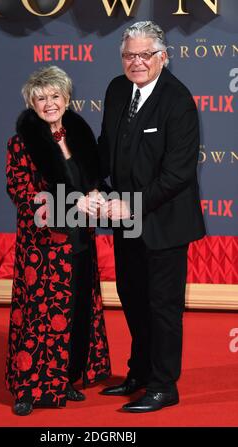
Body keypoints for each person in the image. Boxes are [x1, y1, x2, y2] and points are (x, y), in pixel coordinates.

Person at [98, 21, 206, 412]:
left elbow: (178, 173)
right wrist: (88, 181)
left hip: (165, 223)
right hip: (126, 222)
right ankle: (140, 373)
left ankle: (164, 386)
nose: (137, 62)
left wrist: (131, 205)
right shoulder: (115, 90)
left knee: (162, 306)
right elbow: (106, 147)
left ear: (163, 56)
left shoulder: (177, 100)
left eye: (145, 54)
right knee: (133, 298)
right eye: (130, 55)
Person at [5, 66, 111, 416]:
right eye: (41, 97)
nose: (49, 103)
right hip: (43, 247)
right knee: (38, 316)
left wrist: (96, 195)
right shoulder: (21, 142)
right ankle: (28, 389)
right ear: (31, 102)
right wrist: (71, 202)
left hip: (80, 239)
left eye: (55, 96)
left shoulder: (79, 134)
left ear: (66, 98)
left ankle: (62, 379)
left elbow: (90, 180)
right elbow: (22, 193)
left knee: (74, 310)